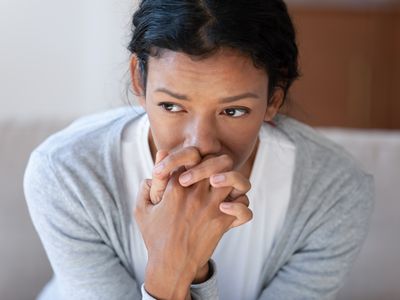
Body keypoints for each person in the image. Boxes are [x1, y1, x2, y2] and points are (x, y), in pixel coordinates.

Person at [23, 0, 374, 299]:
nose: (201, 143)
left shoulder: (335, 192)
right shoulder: (67, 174)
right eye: (173, 106)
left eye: (233, 111)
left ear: (275, 97)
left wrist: (194, 269)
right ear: (139, 80)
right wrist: (173, 265)